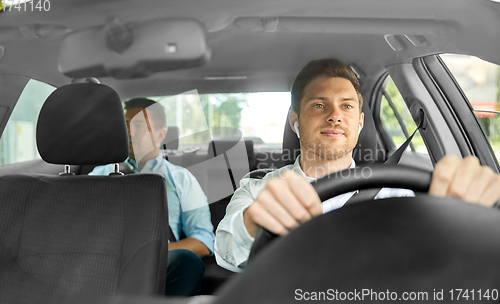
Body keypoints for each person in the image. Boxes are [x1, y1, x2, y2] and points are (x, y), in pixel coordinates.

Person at [214, 58, 500, 272]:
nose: (335, 115)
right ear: (295, 122)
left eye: (347, 106)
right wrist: (256, 220)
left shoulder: (396, 193)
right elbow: (226, 253)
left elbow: (429, 260)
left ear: (360, 122)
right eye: (318, 105)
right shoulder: (257, 189)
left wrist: (464, 221)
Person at [89, 98, 215, 296]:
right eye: (126, 125)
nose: (129, 132)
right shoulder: (99, 175)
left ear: (160, 134)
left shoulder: (181, 179)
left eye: (138, 126)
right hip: (103, 263)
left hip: (158, 263)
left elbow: (203, 239)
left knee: (188, 262)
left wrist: (153, 254)